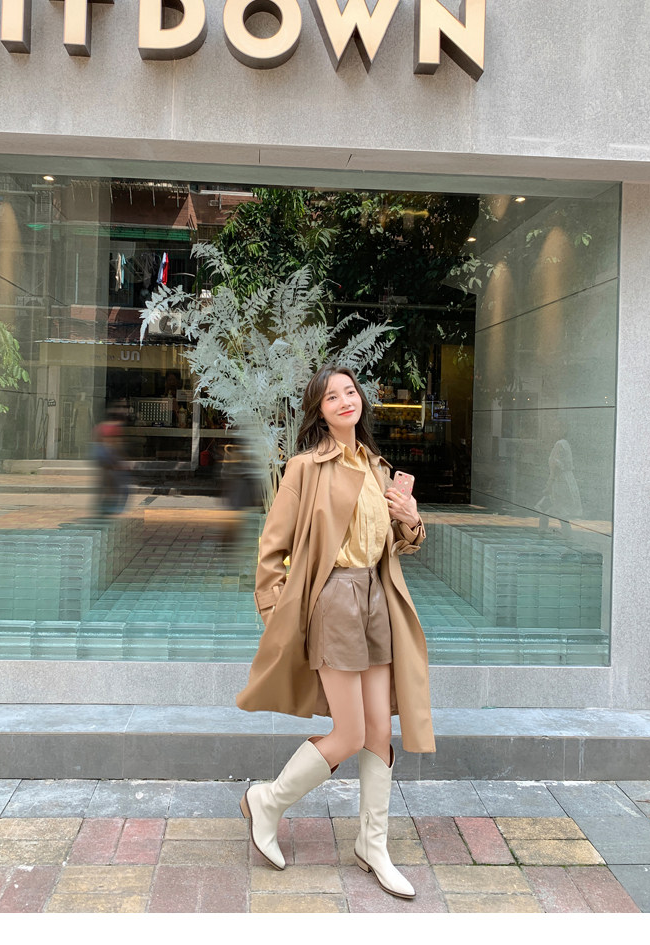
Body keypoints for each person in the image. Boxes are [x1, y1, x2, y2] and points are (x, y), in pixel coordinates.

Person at [237, 364, 434, 900]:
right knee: (348, 733)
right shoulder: (305, 468)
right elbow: (271, 550)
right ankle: (268, 801)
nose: (345, 400)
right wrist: (280, 617)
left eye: (350, 391)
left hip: (377, 599)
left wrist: (411, 516)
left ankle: (373, 846)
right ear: (320, 411)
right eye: (332, 397)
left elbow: (401, 543)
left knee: (379, 733)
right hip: (333, 600)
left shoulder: (377, 466)